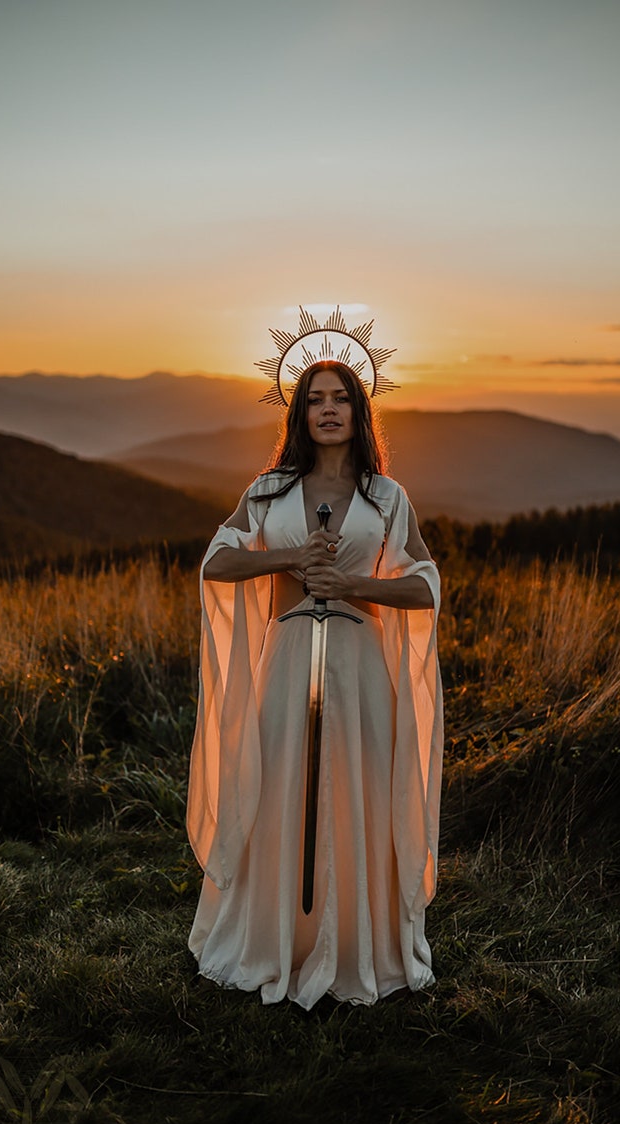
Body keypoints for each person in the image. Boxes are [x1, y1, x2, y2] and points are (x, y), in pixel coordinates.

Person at [186, 360, 442, 1009]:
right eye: (315, 399)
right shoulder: (269, 490)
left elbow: (426, 584)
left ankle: (357, 946)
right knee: (280, 791)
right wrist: (290, 558)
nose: (328, 410)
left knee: (356, 797)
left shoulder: (388, 496)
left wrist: (354, 583)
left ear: (360, 411)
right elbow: (217, 561)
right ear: (299, 413)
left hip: (361, 674)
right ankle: (280, 944)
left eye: (342, 399)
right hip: (286, 665)